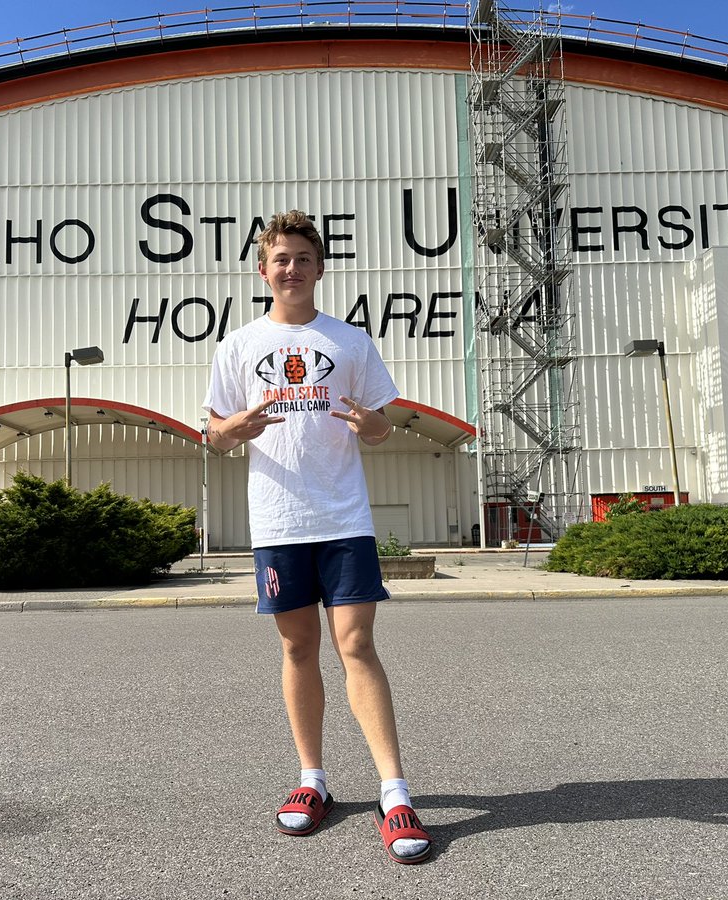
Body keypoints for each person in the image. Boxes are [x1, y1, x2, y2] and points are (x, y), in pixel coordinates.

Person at [202, 210, 432, 865]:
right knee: (299, 647)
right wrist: (232, 430)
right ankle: (313, 781)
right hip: (278, 522)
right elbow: (213, 432)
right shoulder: (239, 346)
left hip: (343, 519)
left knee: (355, 642)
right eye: (282, 259)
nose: (292, 269)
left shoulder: (350, 342)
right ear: (263, 270)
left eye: (304, 258)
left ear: (320, 267)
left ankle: (394, 793)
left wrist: (373, 427)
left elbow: (385, 423)